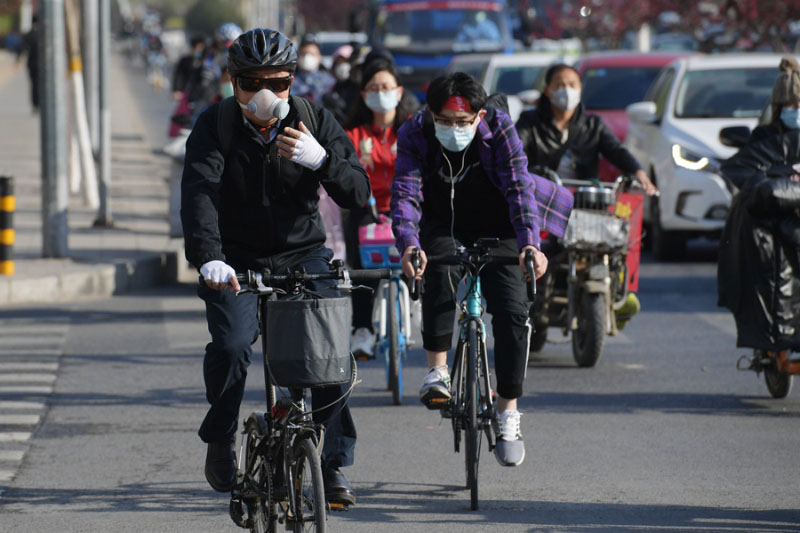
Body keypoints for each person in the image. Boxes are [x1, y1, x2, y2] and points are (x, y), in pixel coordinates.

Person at [181, 28, 371, 506]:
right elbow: (199, 196)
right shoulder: (215, 125)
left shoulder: (312, 119)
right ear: (233, 83)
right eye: (251, 83)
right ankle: (221, 437)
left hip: (302, 256)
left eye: (279, 82)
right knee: (231, 347)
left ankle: (331, 466)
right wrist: (210, 259)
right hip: (234, 261)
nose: (266, 93)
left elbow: (358, 192)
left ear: (292, 82)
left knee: (329, 358)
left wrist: (323, 160)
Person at [390, 72, 573, 466]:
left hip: (501, 225)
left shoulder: (501, 128)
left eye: (463, 122)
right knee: (434, 269)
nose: (454, 129)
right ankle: (437, 373)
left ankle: (509, 410)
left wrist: (529, 244)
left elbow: (519, 189)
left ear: (479, 115)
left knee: (512, 311)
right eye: (445, 121)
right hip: (441, 225)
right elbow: (405, 193)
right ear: (430, 113)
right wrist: (409, 245)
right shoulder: (414, 131)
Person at [718, 56, 800, 353]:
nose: (797, 112)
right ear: (779, 107)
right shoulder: (764, 139)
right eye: (791, 106)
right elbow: (749, 179)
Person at [344, 57, 418, 358]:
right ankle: (362, 329)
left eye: (386, 87)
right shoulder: (354, 135)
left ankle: (416, 301)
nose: (381, 92)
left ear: (399, 91)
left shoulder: (412, 131)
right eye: (374, 88)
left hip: (407, 208)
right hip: (367, 210)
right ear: (364, 95)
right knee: (363, 271)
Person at [515, 64, 658, 194]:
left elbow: (616, 150)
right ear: (547, 90)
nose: (566, 90)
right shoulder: (529, 122)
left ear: (580, 88)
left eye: (572, 85)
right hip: (543, 197)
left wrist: (638, 171)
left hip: (585, 201)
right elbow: (515, 148)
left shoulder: (592, 125)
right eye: (559, 85)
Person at [322, 45, 360, 125]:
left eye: (346, 61)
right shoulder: (330, 85)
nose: (343, 66)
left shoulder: (359, 86)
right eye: (339, 62)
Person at [292, 34, 335, 103]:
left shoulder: (329, 81)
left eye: (312, 54)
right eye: (303, 54)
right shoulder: (290, 81)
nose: (307, 57)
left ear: (319, 57)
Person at [172, 34, 206, 101]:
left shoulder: (207, 61)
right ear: (192, 47)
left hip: (202, 96)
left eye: (202, 47)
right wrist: (177, 90)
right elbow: (179, 76)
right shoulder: (185, 61)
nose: (200, 50)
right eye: (198, 47)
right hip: (186, 94)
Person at [15, 15, 39, 112]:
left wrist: (17, 61)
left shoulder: (28, 35)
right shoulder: (44, 34)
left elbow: (22, 49)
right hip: (43, 65)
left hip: (31, 64)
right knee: (41, 84)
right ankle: (40, 103)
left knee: (33, 85)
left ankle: (35, 104)